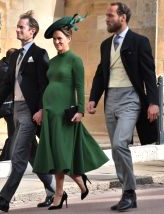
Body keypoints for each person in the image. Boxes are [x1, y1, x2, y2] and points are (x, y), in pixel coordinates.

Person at [87, 2, 159, 212]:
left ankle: (129, 192)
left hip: (131, 98)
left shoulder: (140, 42)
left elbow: (149, 74)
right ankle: (127, 193)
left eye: (110, 15)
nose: (107, 19)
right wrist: (93, 98)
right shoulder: (105, 44)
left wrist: (153, 102)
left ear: (122, 17)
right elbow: (101, 74)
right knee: (117, 150)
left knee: (120, 143)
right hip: (111, 99)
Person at [33, 14, 109, 210]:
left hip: (64, 114)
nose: (57, 42)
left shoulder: (75, 60)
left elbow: (79, 86)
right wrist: (42, 109)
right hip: (50, 113)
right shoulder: (53, 61)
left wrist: (81, 111)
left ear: (69, 38)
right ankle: (80, 182)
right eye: (55, 39)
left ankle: (59, 194)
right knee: (58, 155)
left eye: (60, 38)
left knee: (60, 155)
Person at [0, 10, 55, 212]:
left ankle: (4, 198)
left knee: (17, 155)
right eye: (17, 27)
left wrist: (42, 108)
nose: (17, 30)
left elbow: (45, 84)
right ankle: (54, 191)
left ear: (32, 31)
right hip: (16, 109)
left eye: (21, 27)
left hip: (30, 112)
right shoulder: (15, 55)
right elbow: (7, 85)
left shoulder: (39, 54)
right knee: (33, 156)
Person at [0, 48, 17, 162]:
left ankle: (5, 158)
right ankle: (7, 159)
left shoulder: (5, 67)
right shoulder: (5, 69)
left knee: (14, 134)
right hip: (9, 107)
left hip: (9, 107)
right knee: (13, 134)